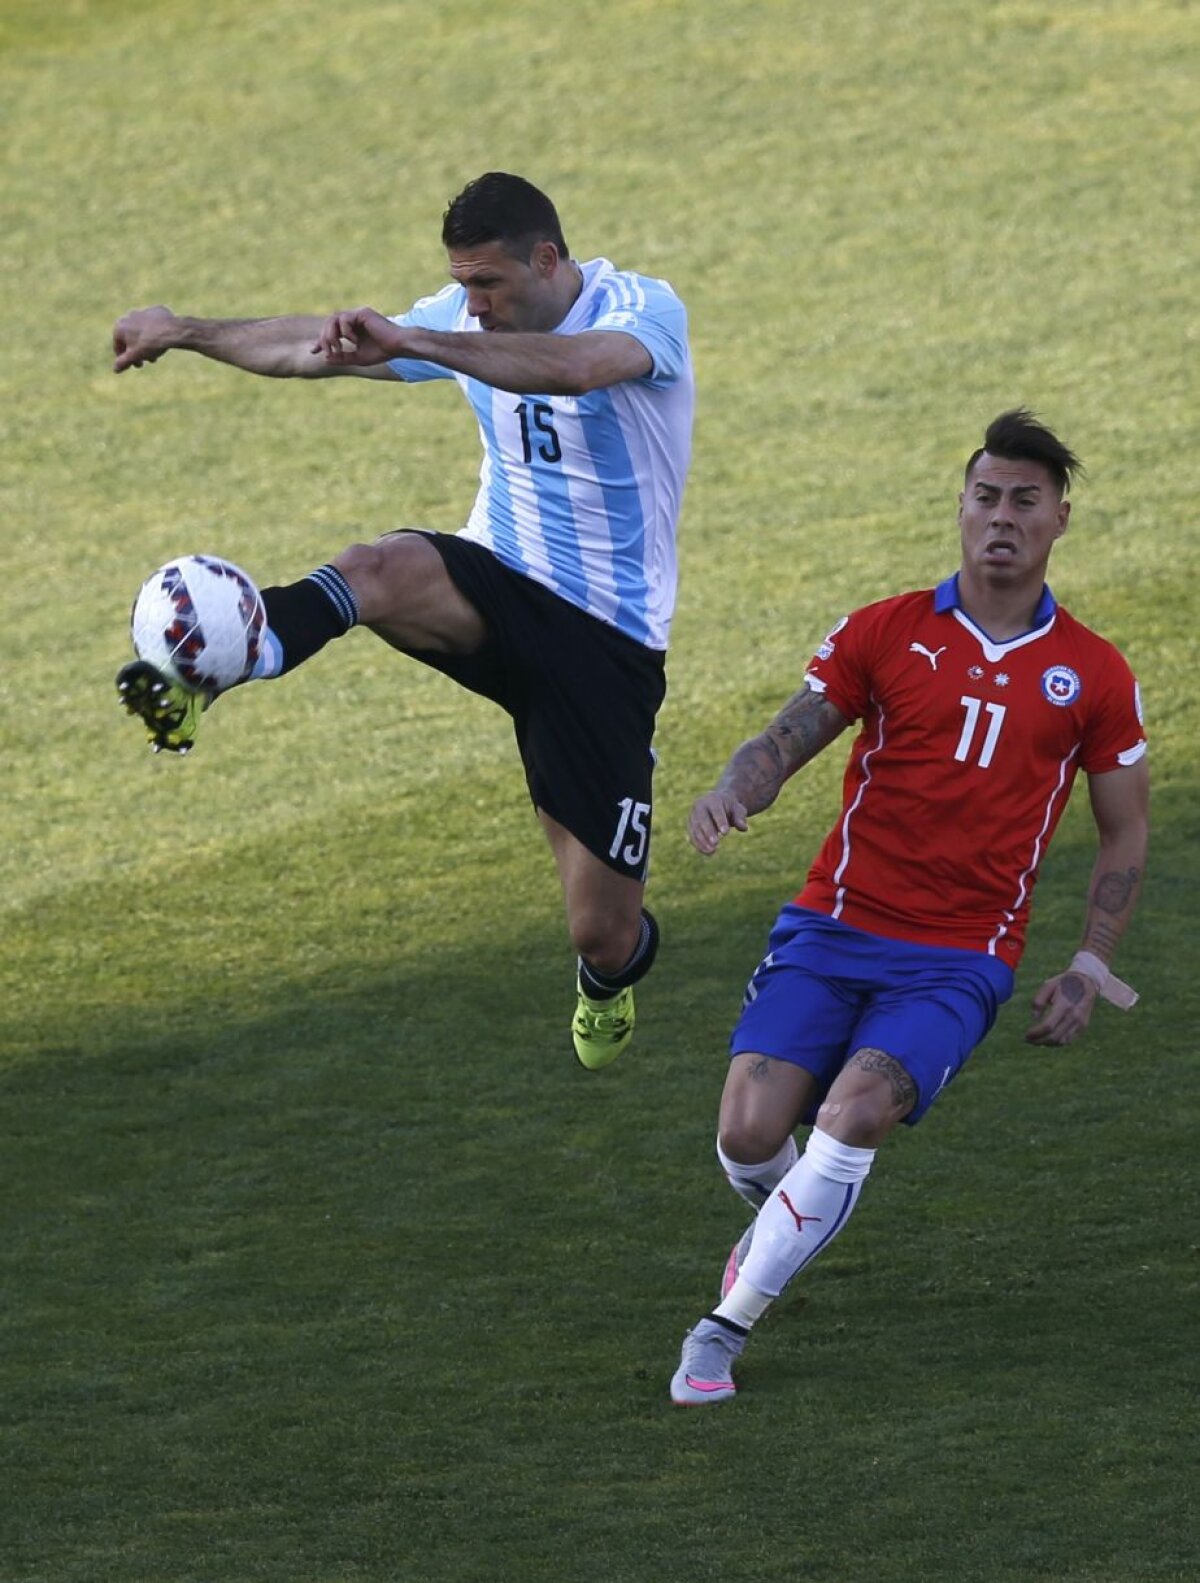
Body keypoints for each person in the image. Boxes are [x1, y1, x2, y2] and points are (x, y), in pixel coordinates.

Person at [111, 173, 694, 1072]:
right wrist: (182, 330)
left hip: (604, 641)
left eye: (489, 284)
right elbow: (309, 348)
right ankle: (220, 667)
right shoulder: (464, 318)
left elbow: (575, 369)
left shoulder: (643, 311)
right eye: (464, 286)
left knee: (601, 931)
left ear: (547, 259)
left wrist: (420, 339)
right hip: (495, 580)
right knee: (376, 568)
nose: (476, 305)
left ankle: (608, 979)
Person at [669, 409, 1148, 1405]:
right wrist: (732, 788)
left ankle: (722, 1330)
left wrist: (1090, 963)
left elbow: (1125, 830)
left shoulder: (1096, 673)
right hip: (833, 926)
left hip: (958, 958)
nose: (1002, 517)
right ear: (961, 506)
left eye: (1025, 501)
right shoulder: (887, 629)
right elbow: (791, 733)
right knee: (749, 1133)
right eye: (987, 496)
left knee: (854, 1113)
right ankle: (786, 1227)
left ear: (1060, 518)